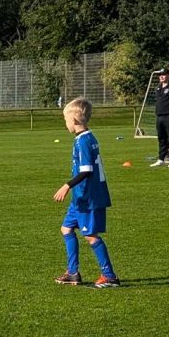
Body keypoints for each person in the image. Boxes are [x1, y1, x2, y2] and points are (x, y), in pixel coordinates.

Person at [53, 97, 119, 288]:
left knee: (90, 235)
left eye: (65, 119)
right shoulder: (88, 137)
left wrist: (67, 186)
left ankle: (109, 276)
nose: (65, 123)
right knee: (66, 229)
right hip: (80, 197)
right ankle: (73, 273)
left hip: (89, 196)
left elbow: (86, 170)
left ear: (74, 120)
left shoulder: (83, 141)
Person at [152, 71, 169, 167]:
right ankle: (161, 159)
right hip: (160, 116)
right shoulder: (158, 87)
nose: (161, 76)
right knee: (161, 138)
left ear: (168, 75)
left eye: (163, 75)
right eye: (160, 75)